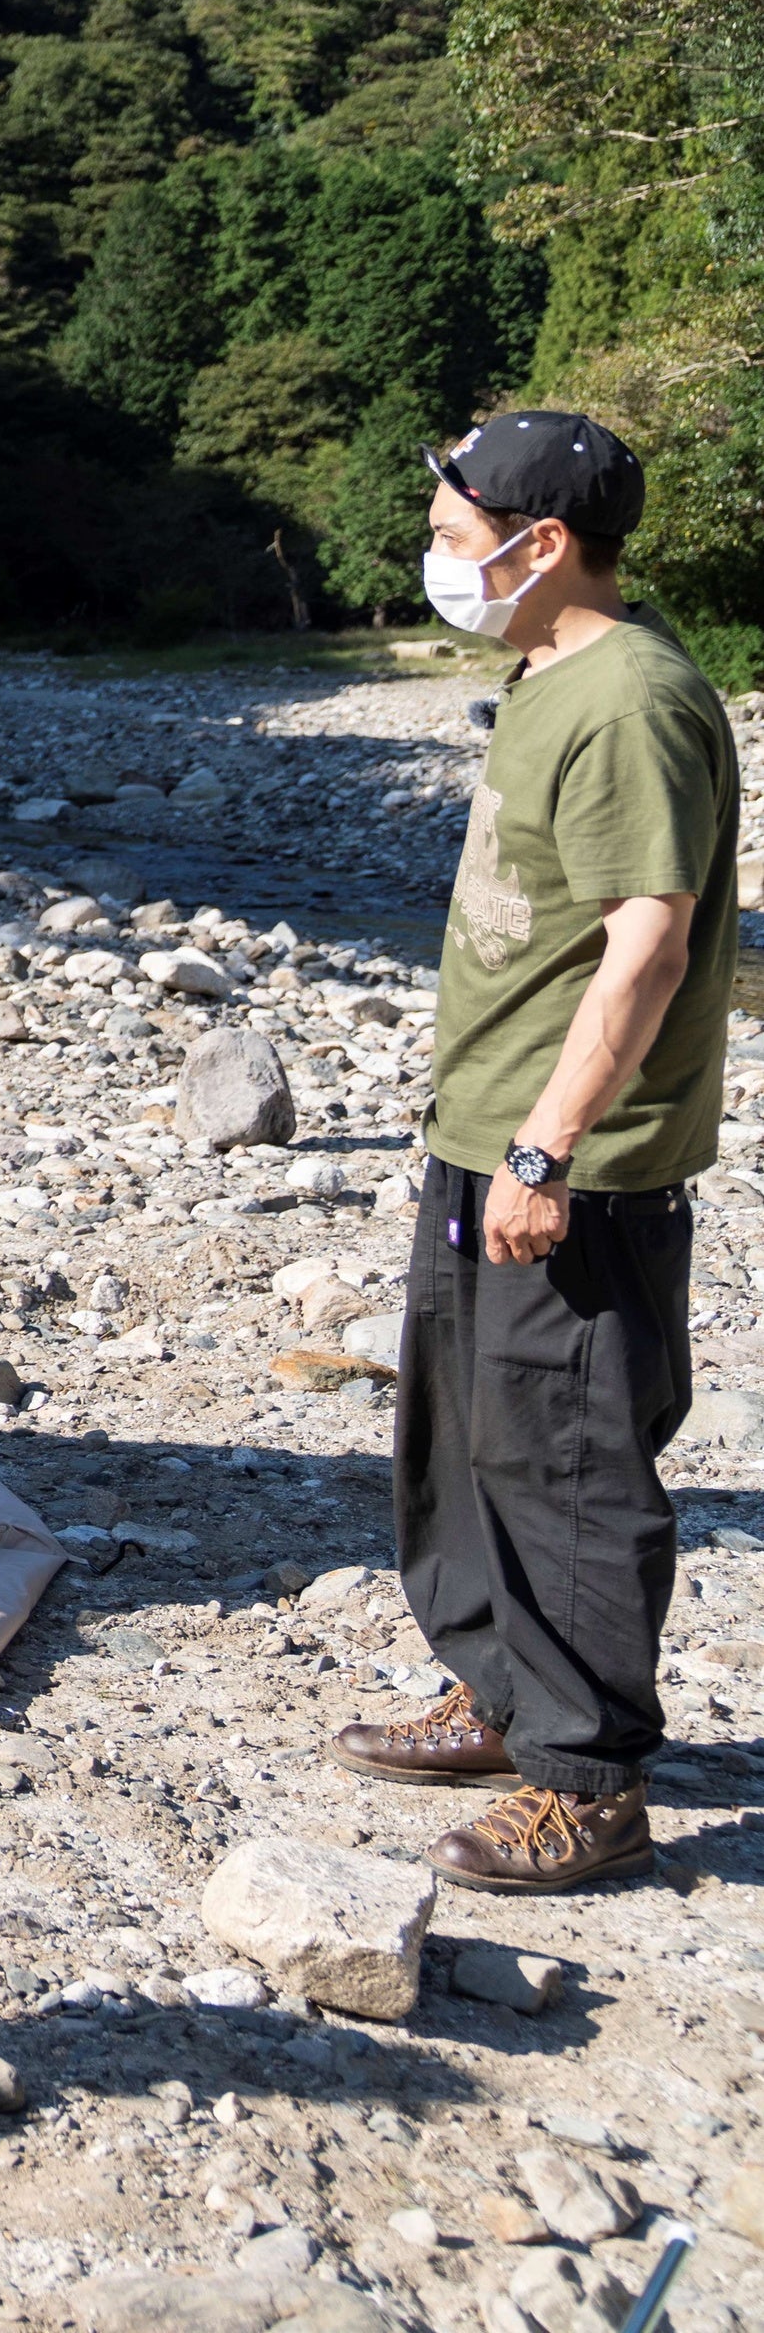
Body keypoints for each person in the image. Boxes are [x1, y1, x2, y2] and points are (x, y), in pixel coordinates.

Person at [327, 410, 735, 1894]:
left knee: (569, 1463)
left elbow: (649, 945)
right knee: (468, 1439)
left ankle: (585, 1781)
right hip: (487, 1131)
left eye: (452, 536)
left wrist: (550, 1151)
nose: (434, 559)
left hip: (577, 1165)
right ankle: (499, 1693)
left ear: (542, 542)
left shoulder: (631, 699)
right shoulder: (552, 667)